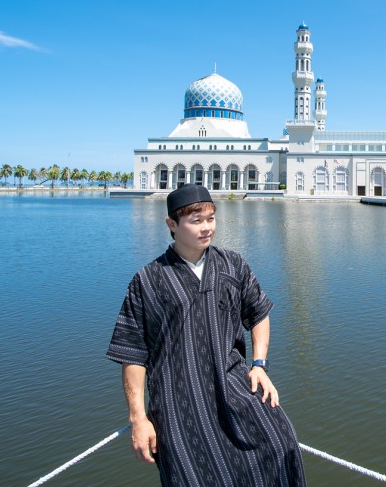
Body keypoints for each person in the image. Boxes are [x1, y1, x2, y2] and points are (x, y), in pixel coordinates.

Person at [107, 184, 306, 485]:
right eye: (196, 220)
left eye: (211, 219)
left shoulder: (232, 264)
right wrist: (138, 417)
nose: (206, 228)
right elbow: (133, 354)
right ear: (172, 225)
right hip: (179, 402)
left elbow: (259, 314)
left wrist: (259, 364)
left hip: (233, 387)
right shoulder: (147, 281)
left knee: (281, 443)